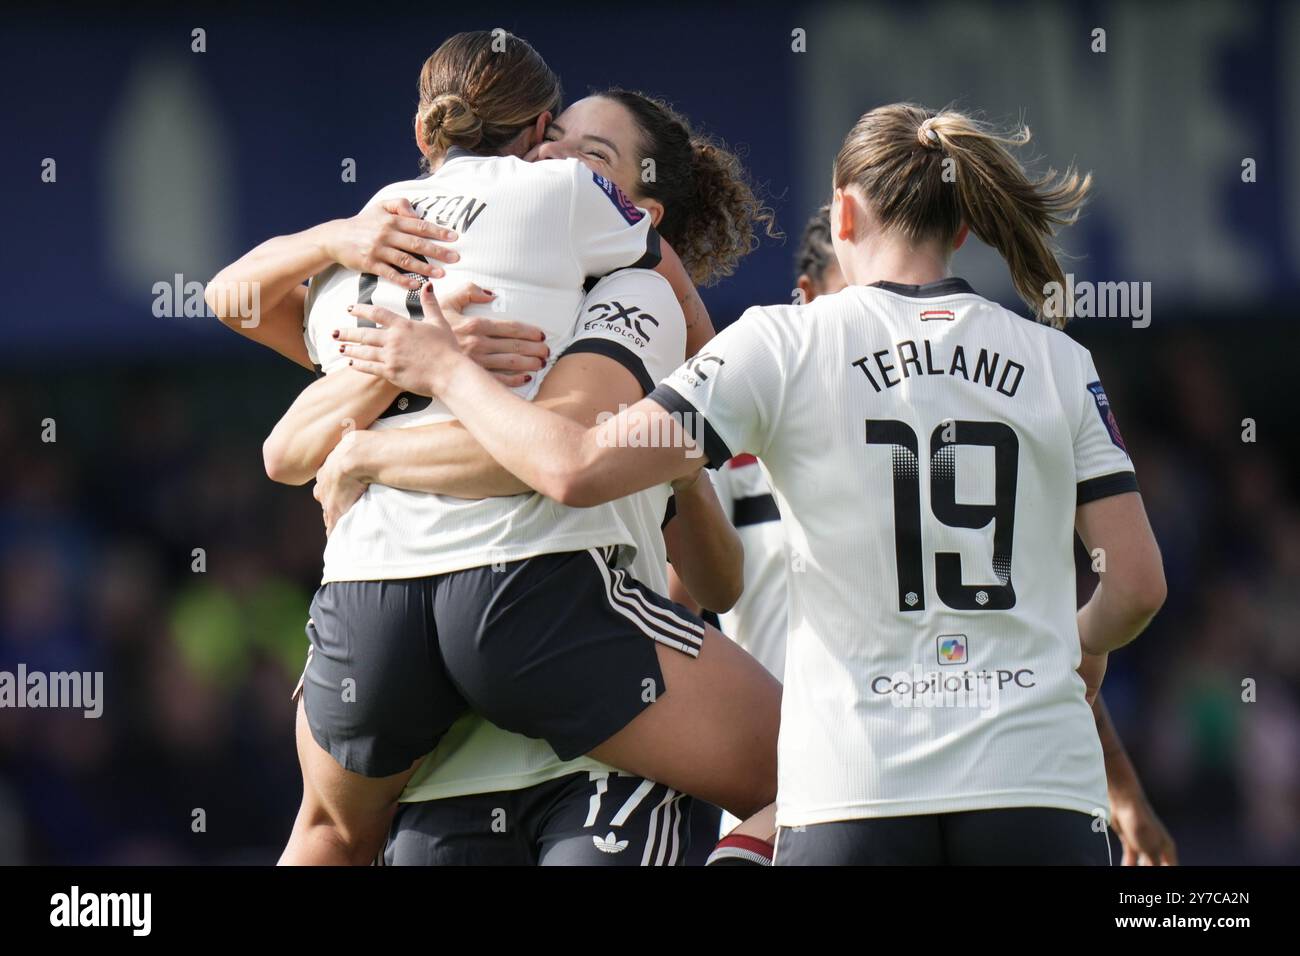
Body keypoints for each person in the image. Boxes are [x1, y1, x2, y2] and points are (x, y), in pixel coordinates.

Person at [336, 103, 1168, 865]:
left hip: (855, 789)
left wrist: (446, 371)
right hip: (1039, 789)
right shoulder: (1059, 363)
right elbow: (1134, 586)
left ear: (842, 213)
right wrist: (1077, 645)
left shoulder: (783, 345)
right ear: (960, 231)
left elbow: (574, 466)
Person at [208, 31, 782, 865]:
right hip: (520, 639)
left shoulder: (580, 290)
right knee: (814, 773)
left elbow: (285, 428)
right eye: (553, 141)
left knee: (327, 831)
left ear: (642, 210)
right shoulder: (562, 272)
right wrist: (388, 323)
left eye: (588, 153)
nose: (555, 159)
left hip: (390, 623)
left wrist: (369, 446)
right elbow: (556, 463)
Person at [674, 204, 1178, 864]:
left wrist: (1126, 790)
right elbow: (1106, 608)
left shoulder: (774, 361)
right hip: (958, 778)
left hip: (845, 783)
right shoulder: (746, 440)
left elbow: (1051, 643)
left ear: (850, 213)